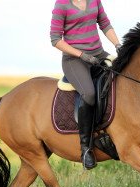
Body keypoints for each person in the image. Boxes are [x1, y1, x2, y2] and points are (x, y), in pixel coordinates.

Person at [50, 0, 121, 169]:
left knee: (121, 78)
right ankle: (86, 148)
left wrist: (118, 45)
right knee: (89, 94)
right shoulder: (61, 4)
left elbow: (104, 23)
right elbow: (55, 39)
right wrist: (81, 55)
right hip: (74, 60)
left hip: (98, 54)